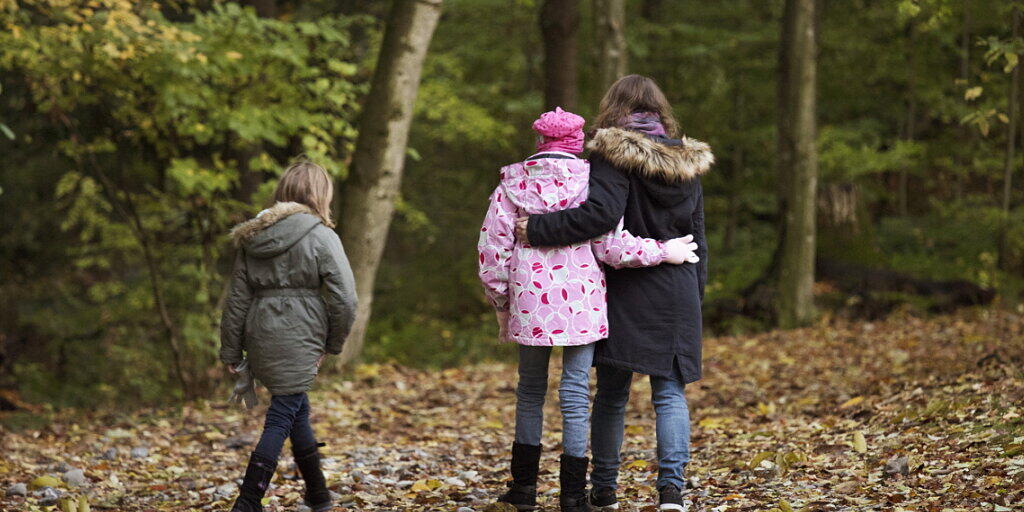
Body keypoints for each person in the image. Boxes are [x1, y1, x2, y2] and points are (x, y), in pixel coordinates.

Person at [478, 107, 699, 512]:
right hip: (583, 304)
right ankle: (573, 494)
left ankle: (524, 489)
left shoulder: (511, 182)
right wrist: (664, 251)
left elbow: (492, 249)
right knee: (576, 393)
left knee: (529, 391)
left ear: (539, 141)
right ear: (578, 142)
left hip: (529, 301)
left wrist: (501, 301)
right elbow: (611, 247)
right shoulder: (589, 183)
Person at [220, 161, 358, 512]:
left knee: (296, 408)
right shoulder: (322, 235)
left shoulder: (253, 236)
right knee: (282, 415)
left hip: (261, 336)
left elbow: (237, 298)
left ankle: (318, 494)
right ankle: (248, 501)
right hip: (302, 336)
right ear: (321, 194)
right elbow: (345, 298)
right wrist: (333, 343)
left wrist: (231, 352)